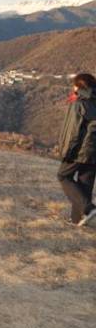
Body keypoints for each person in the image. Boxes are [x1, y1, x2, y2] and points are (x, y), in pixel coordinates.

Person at [56, 73, 96, 226]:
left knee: (63, 176)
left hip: (80, 151)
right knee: (84, 184)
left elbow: (73, 132)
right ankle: (77, 219)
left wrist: (66, 152)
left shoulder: (79, 103)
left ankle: (88, 208)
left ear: (79, 86)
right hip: (94, 153)